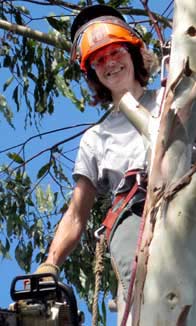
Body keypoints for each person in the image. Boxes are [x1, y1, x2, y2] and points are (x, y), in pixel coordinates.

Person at [35, 5, 161, 324]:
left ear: (132, 53)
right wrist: (50, 264)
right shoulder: (97, 137)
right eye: (99, 60)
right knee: (144, 306)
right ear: (93, 73)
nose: (110, 63)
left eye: (114, 51)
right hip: (135, 223)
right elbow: (77, 213)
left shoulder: (175, 96)